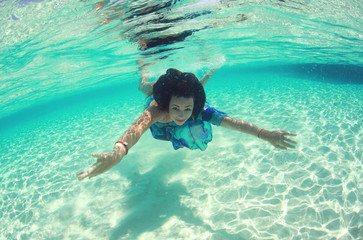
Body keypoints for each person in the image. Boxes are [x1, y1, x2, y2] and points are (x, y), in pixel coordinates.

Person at [77, 64, 297, 180]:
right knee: (145, 88)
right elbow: (137, 128)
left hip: (187, 100)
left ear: (195, 106)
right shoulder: (157, 109)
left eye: (187, 109)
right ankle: (144, 75)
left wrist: (266, 134)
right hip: (157, 99)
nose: (181, 115)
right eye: (176, 108)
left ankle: (203, 79)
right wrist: (119, 152)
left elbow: (234, 123)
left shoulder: (198, 110)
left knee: (197, 96)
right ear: (166, 105)